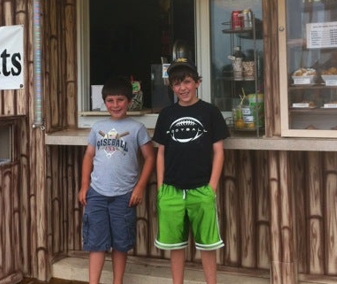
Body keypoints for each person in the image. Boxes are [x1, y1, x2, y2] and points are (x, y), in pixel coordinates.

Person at [153, 58, 230, 284]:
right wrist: (161, 188)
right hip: (171, 190)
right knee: (176, 246)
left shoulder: (210, 112)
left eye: (186, 82)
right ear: (171, 87)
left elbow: (219, 152)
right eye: (176, 84)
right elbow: (160, 153)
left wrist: (211, 187)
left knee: (208, 244)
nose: (182, 88)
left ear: (197, 82)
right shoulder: (166, 114)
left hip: (201, 190)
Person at [78, 76, 155, 284]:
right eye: (110, 101)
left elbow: (150, 158)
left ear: (129, 101)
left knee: (121, 243)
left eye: (120, 100)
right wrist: (85, 185)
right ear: (104, 103)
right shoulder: (97, 127)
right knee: (96, 242)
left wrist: (139, 187)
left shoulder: (137, 128)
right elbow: (88, 156)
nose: (115, 105)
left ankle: (117, 281)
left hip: (124, 196)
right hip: (97, 194)